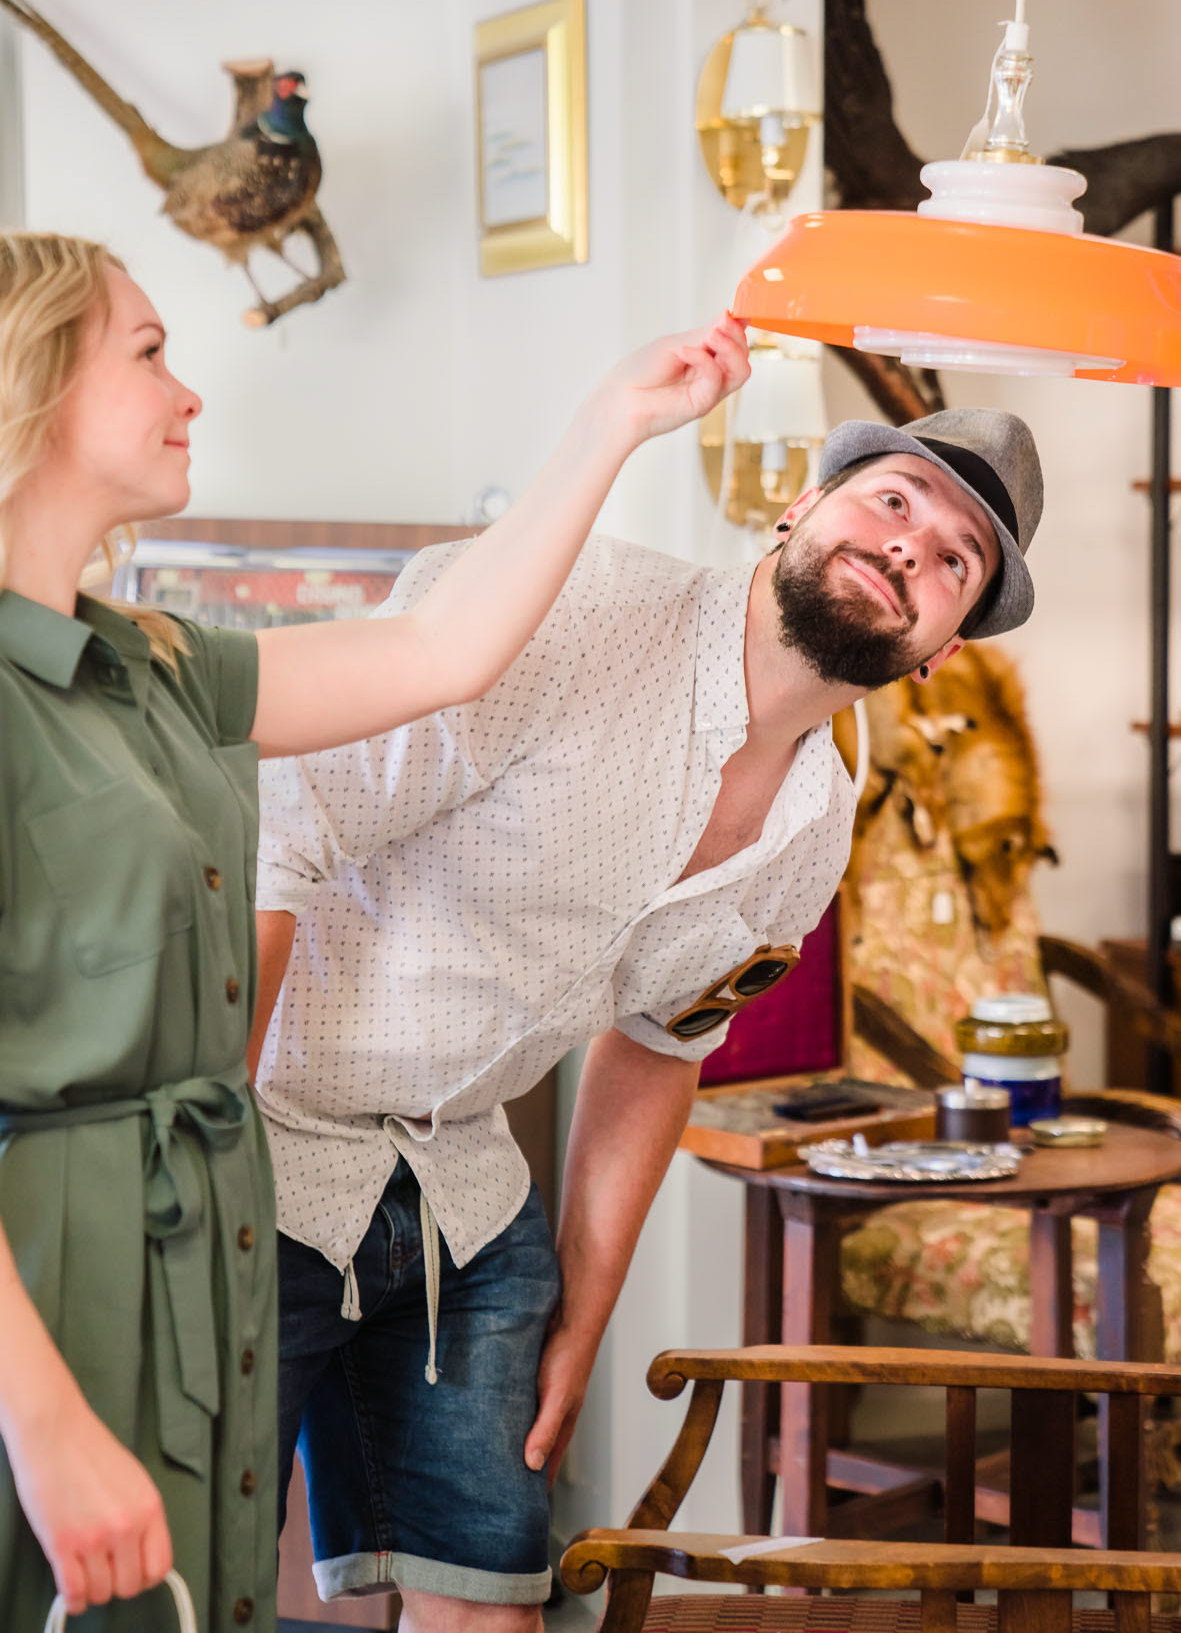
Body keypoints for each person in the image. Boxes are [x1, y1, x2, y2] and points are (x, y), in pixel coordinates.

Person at [0, 229, 749, 1632]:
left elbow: (438, 654)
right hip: (41, 1279)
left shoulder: (150, 666)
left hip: (188, 1254)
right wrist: (42, 1426)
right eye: (149, 351)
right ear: (30, 382)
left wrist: (611, 425)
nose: (192, 389)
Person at [253, 401, 1044, 1630]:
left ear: (942, 646)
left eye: (955, 559)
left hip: (463, 1184)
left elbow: (661, 1044)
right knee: (162, 1571)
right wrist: (189, 1160)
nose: (909, 548)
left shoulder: (816, 822)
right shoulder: (559, 611)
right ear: (797, 505)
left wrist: (582, 1314)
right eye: (891, 500)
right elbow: (276, 837)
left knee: (493, 1602)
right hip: (259, 1143)